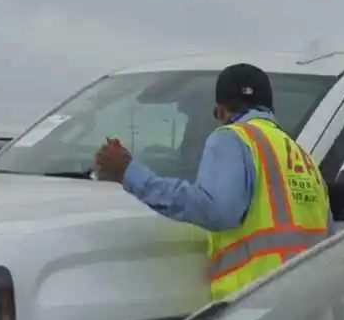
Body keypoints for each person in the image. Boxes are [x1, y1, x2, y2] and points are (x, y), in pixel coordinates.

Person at [92, 64, 331, 299]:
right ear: (270, 107)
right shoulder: (301, 157)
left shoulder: (232, 137)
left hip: (255, 300)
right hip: (305, 304)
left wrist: (130, 172)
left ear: (220, 112)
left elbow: (216, 210)